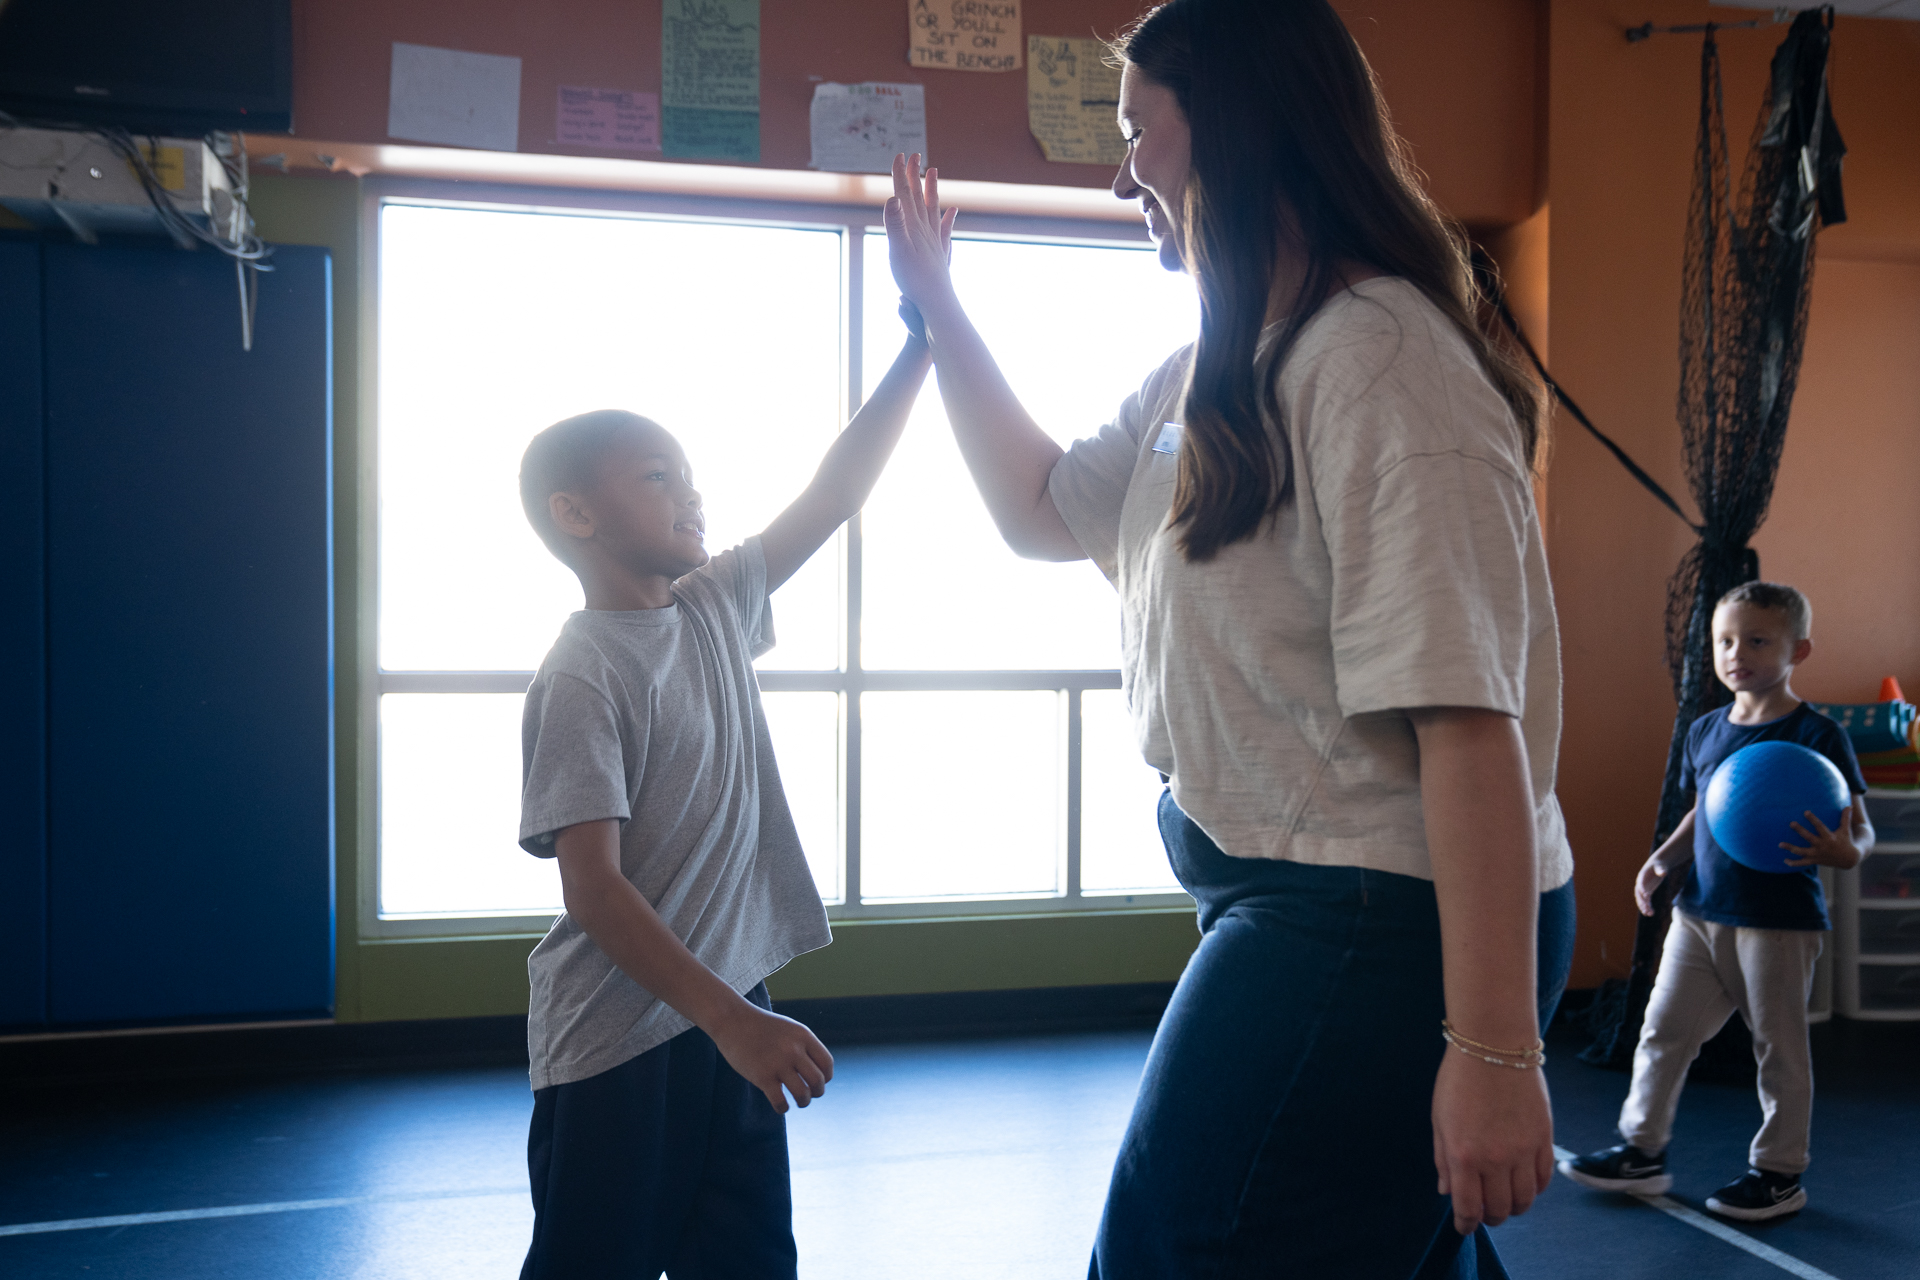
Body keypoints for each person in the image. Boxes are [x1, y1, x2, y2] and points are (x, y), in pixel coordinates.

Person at [882, 0, 1572, 1273]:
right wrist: (938, 306)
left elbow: (1471, 719)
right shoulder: (1213, 361)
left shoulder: (1383, 366)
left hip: (1373, 918)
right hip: (1295, 894)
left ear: (1239, 133)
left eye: (1143, 127)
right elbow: (1041, 509)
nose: (1124, 164)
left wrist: (1492, 1050)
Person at [510, 302, 937, 1278]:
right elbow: (594, 888)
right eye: (658, 478)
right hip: (621, 1041)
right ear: (576, 513)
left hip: (729, 1012)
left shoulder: (713, 605)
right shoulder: (582, 675)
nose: (691, 496)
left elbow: (833, 493)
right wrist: (731, 1018)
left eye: (692, 477)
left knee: (747, 1259)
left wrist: (924, 341)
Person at [1560, 582, 1872, 1221]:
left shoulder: (1817, 734)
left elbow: (1858, 828)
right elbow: (1708, 810)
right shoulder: (1706, 730)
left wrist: (1850, 854)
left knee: (1779, 1050)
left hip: (1777, 924)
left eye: (1758, 640)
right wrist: (1661, 861)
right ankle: (1641, 1152)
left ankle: (1780, 1172)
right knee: (1661, 1032)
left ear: (1798, 649)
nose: (1738, 653)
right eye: (1726, 641)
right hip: (1700, 914)